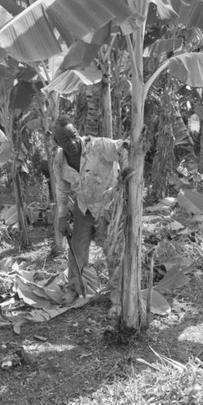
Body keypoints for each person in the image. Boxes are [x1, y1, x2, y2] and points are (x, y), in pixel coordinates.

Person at [52, 115, 128, 315]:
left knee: (113, 252)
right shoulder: (59, 161)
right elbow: (61, 189)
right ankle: (74, 289)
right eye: (65, 140)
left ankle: (117, 299)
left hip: (108, 207)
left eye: (74, 136)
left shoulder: (98, 147)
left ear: (78, 133)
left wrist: (126, 170)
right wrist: (61, 217)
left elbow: (123, 147)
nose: (72, 142)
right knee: (76, 251)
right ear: (57, 143)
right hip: (83, 208)